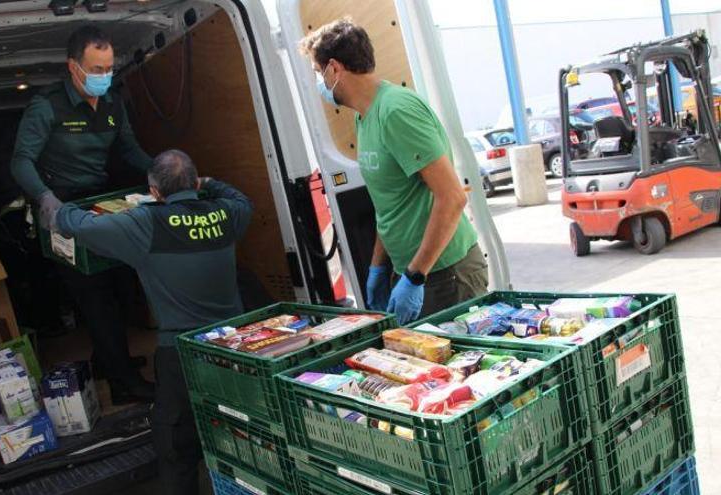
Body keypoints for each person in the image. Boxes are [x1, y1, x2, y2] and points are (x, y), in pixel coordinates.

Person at [56, 150, 253, 495]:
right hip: (234, 349)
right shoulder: (227, 214)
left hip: (181, 354)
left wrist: (60, 205)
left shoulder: (144, 224)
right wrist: (209, 183)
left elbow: (77, 226)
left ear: (154, 192)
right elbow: (239, 197)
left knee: (175, 444)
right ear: (194, 183)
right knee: (242, 433)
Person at [299, 19, 488, 324]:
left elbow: (452, 198)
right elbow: (390, 206)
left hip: (444, 274)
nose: (320, 82)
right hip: (413, 272)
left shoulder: (396, 112)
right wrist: (378, 268)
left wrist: (414, 277)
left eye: (319, 73)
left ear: (334, 68)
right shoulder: (365, 119)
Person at [10, 25, 155, 403]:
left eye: (108, 68)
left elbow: (129, 148)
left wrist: (160, 171)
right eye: (96, 69)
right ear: (73, 67)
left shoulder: (112, 104)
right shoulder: (47, 107)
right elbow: (20, 161)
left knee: (122, 288)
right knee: (95, 298)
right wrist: (45, 197)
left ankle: (110, 362)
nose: (104, 77)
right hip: (63, 210)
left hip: (102, 203)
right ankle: (125, 385)